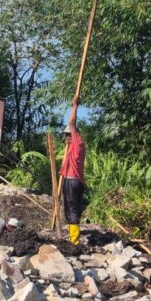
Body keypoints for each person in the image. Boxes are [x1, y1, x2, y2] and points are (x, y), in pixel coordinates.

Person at [60, 96, 86, 245]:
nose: (66, 138)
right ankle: (73, 237)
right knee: (71, 210)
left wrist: (74, 106)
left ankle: (74, 241)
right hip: (73, 181)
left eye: (68, 135)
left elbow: (71, 123)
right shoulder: (73, 146)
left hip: (73, 181)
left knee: (72, 210)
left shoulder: (78, 142)